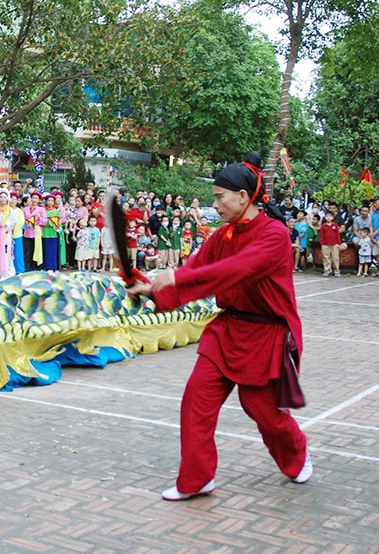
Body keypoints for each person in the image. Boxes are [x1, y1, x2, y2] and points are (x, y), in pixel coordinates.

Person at [127, 152, 311, 501]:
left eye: (219, 197)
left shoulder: (273, 235)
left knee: (262, 411)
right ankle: (196, 479)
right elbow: (197, 267)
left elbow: (234, 270)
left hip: (266, 334)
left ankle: (296, 454)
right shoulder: (223, 234)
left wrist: (178, 276)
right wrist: (152, 289)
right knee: (196, 400)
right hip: (227, 330)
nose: (216, 204)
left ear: (243, 197)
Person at [319, 210, 342, 277]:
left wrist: (338, 243)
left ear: (333, 217)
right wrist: (322, 243)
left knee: (335, 257)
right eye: (327, 216)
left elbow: (337, 234)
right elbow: (322, 235)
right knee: (326, 257)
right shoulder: (323, 226)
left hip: (334, 243)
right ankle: (327, 270)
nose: (328, 218)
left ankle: (336, 270)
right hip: (325, 244)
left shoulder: (335, 225)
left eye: (330, 216)